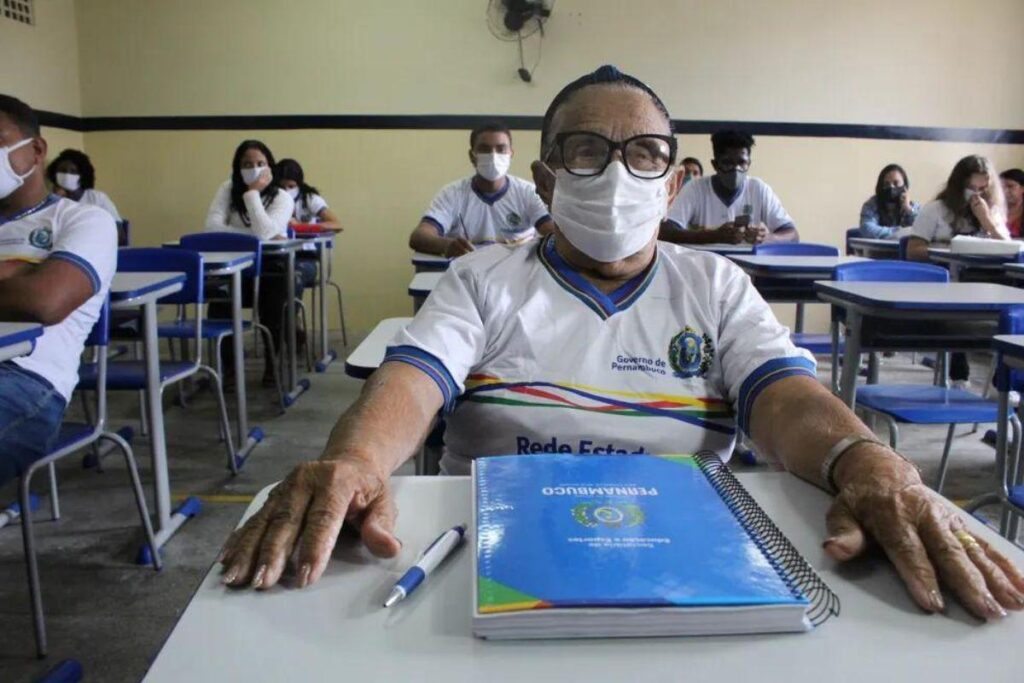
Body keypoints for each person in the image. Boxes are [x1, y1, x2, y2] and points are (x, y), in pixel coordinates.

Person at [218, 66, 1024, 623]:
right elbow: (411, 383)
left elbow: (782, 397)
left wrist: (860, 457)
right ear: (547, 173)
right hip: (492, 563)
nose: (615, 172)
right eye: (585, 150)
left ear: (673, 182)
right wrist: (357, 461)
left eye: (643, 153)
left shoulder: (711, 285)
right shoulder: (484, 280)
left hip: (688, 560)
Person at [0, 95, 117, 486]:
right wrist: (15, 273)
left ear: (35, 150)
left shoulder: (85, 219)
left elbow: (44, 301)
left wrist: (30, 282)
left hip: (25, 379)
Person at [204, 140, 311, 383]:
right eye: (247, 164)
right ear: (237, 167)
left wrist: (252, 193)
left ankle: (273, 365)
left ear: (270, 167)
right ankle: (229, 370)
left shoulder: (282, 197)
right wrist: (251, 237)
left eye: (260, 163)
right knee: (219, 301)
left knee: (274, 302)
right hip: (234, 269)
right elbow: (212, 228)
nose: (254, 168)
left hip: (271, 269)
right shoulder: (227, 188)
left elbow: (264, 233)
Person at [907, 155, 1010, 389]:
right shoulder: (936, 210)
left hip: (986, 283)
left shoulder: (992, 211)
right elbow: (913, 250)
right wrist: (948, 248)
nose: (976, 194)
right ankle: (959, 374)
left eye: (983, 189)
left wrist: (987, 222)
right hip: (947, 280)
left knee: (1010, 312)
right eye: (971, 188)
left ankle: (1001, 382)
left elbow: (1008, 249)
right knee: (958, 303)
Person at [408, 122, 554, 257]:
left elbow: (553, 234)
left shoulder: (528, 192)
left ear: (511, 154)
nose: (493, 155)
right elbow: (419, 237)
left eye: (501, 149)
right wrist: (447, 245)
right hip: (467, 274)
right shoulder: (452, 194)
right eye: (485, 149)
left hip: (518, 276)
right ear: (472, 156)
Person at [661, 129, 798, 246]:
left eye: (742, 163)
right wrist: (713, 236)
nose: (736, 169)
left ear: (749, 163)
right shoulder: (695, 189)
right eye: (727, 163)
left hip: (750, 270)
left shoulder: (759, 189)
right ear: (715, 165)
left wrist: (765, 238)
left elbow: (792, 235)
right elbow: (666, 232)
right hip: (707, 266)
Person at [45, 148, 122, 222]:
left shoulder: (97, 198)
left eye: (73, 171)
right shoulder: (50, 198)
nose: (67, 174)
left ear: (82, 175)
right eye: (62, 170)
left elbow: (118, 226)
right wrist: (55, 199)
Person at [275, 158, 342, 230]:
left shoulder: (310, 199)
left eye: (291, 186)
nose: (286, 191)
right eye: (281, 187)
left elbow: (337, 225)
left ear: (299, 184)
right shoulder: (271, 197)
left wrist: (300, 226)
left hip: (308, 240)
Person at [858, 163, 920, 239]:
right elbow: (867, 229)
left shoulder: (913, 207)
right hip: (877, 250)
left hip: (904, 250)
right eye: (886, 184)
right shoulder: (871, 205)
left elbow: (923, 230)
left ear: (905, 187)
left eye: (896, 183)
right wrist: (900, 232)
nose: (891, 187)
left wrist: (908, 209)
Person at [1001, 168, 1024, 238]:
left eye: (1010, 186)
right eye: (1002, 187)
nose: (1005, 191)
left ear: (1022, 188)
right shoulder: (994, 208)